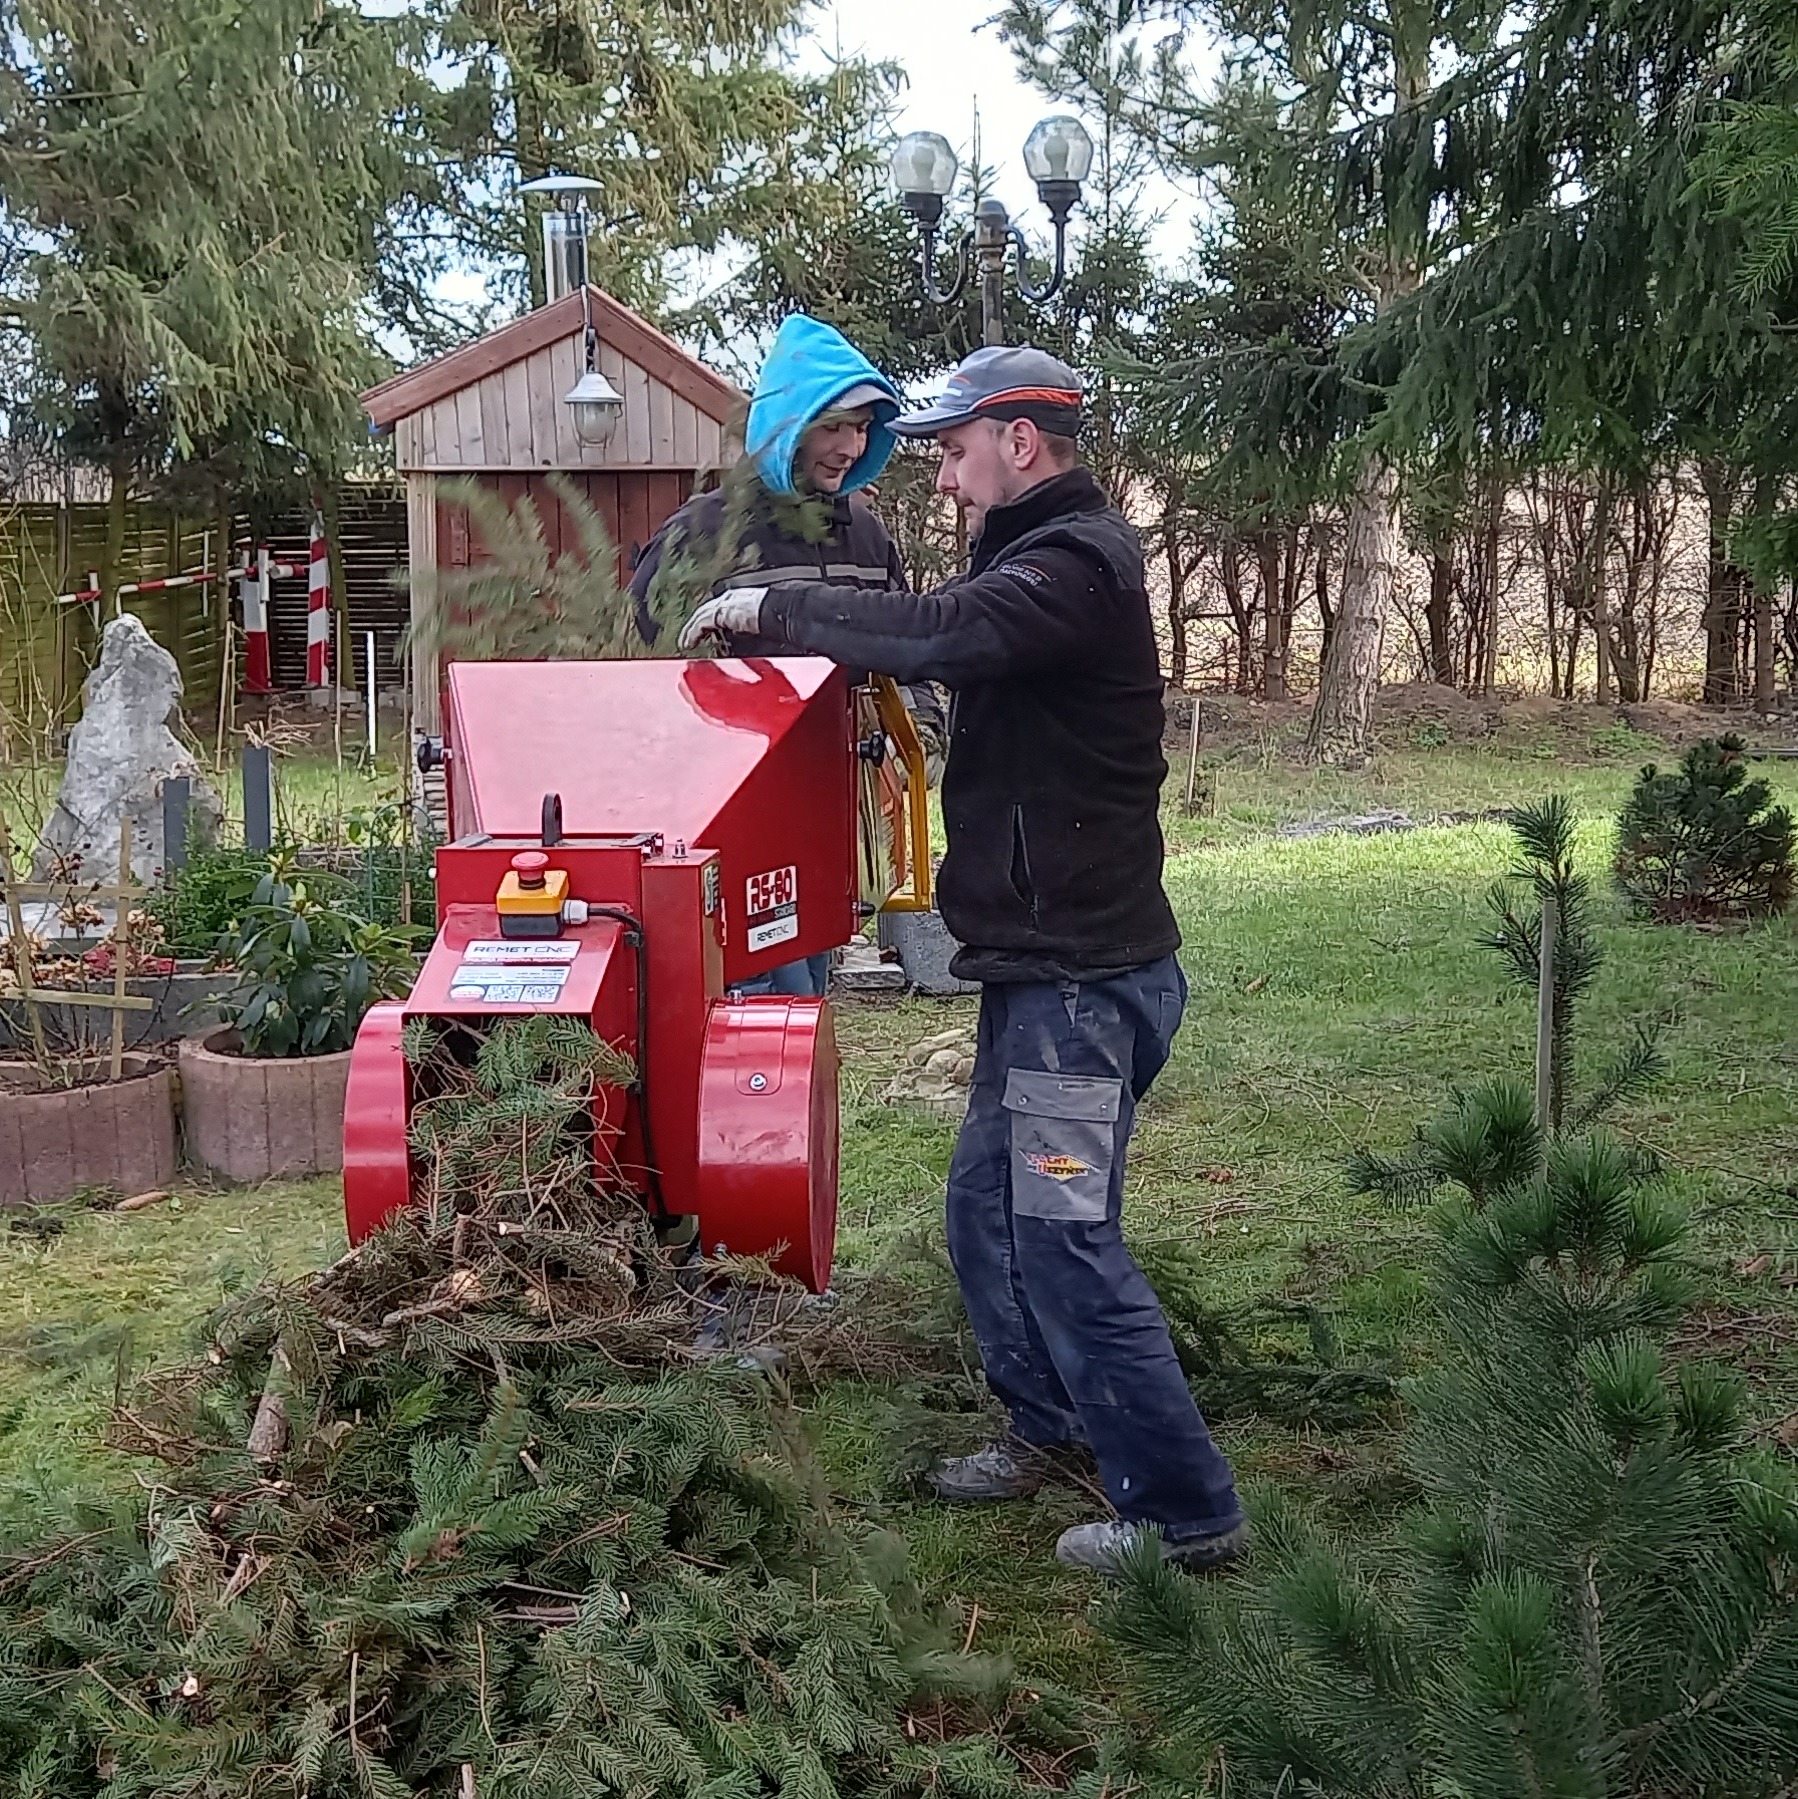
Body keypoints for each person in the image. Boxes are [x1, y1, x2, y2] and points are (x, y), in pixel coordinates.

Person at [677, 345, 1245, 1577]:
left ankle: (1185, 1507)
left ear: (1018, 443)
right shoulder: (1035, 556)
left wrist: (768, 609)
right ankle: (1047, 1427)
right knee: (985, 1211)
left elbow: (945, 630)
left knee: (1058, 1228)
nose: (938, 478)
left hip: (1084, 986)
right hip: (1041, 971)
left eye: (949, 450)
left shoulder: (1071, 567)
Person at [632, 311, 944, 997]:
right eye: (834, 425)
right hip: (734, 814)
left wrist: (919, 736)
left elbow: (907, 646)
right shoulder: (706, 533)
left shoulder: (866, 535)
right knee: (763, 990)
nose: (850, 444)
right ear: (788, 427)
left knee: (812, 979)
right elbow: (649, 677)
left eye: (862, 427)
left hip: (830, 806)